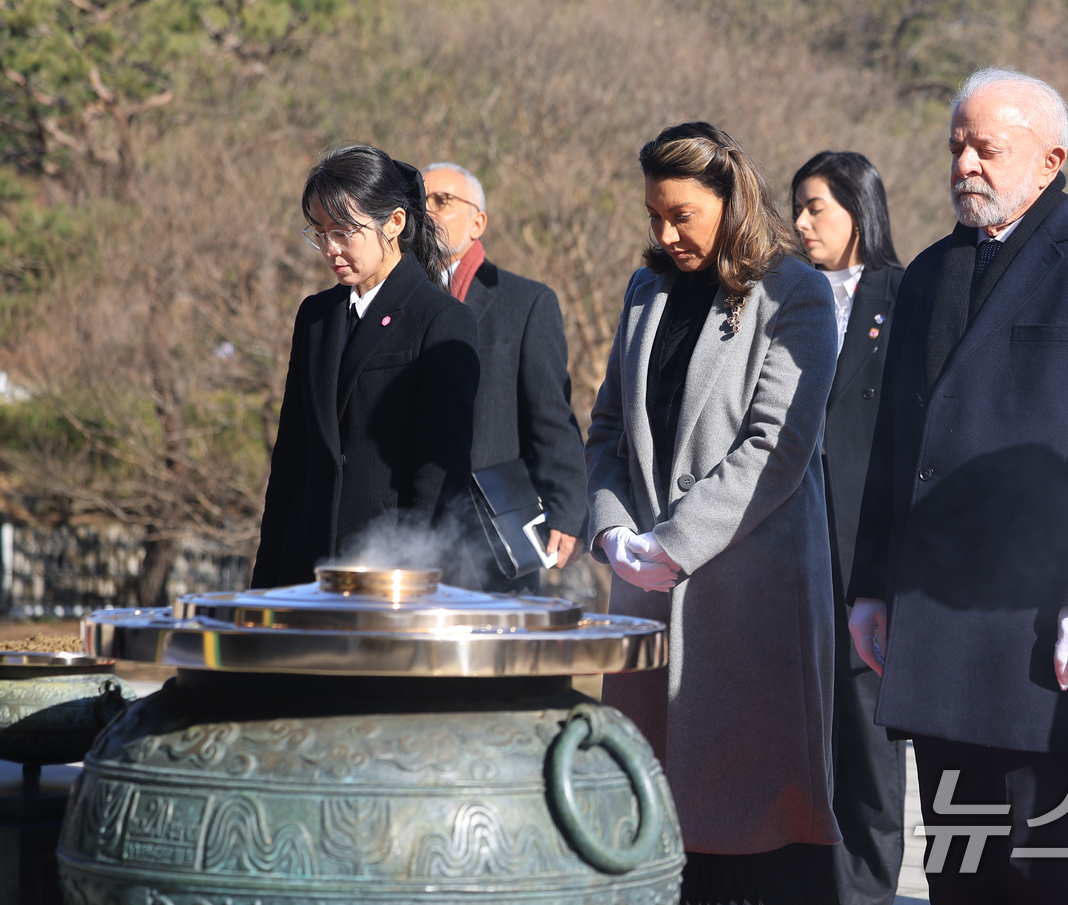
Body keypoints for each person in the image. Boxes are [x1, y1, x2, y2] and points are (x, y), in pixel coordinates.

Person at [848, 68, 1068, 904]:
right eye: (956, 145)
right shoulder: (924, 274)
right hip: (934, 621)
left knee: (1041, 865)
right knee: (959, 866)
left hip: (1040, 630)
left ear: (1049, 158)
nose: (965, 164)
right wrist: (872, 587)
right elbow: (895, 447)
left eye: (986, 148)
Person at [585, 121, 841, 905]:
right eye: (656, 215)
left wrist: (675, 544)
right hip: (647, 604)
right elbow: (604, 429)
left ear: (731, 200)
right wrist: (612, 529)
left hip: (749, 600)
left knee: (749, 832)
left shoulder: (794, 290)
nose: (667, 233)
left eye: (684, 215)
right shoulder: (645, 288)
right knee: (648, 825)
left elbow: (777, 447)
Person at [252, 145, 480, 588]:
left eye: (344, 232)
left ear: (394, 222)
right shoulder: (316, 317)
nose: (330, 249)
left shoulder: (440, 319)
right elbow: (290, 459)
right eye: (319, 233)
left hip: (387, 571)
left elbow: (439, 474)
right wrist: (266, 583)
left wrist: (417, 581)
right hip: (306, 568)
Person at [791, 152, 907, 905]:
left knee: (867, 738)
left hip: (866, 550)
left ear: (859, 212)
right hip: (787, 546)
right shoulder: (782, 298)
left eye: (815, 208)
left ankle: (866, 888)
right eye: (795, 208)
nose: (799, 223)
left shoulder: (905, 295)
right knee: (799, 731)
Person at [422, 162, 587, 593]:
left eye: (442, 200)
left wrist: (567, 511)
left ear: (478, 222)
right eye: (418, 201)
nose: (428, 210)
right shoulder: (395, 303)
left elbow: (551, 414)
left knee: (500, 654)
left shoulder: (526, 302)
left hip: (497, 527)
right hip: (408, 528)